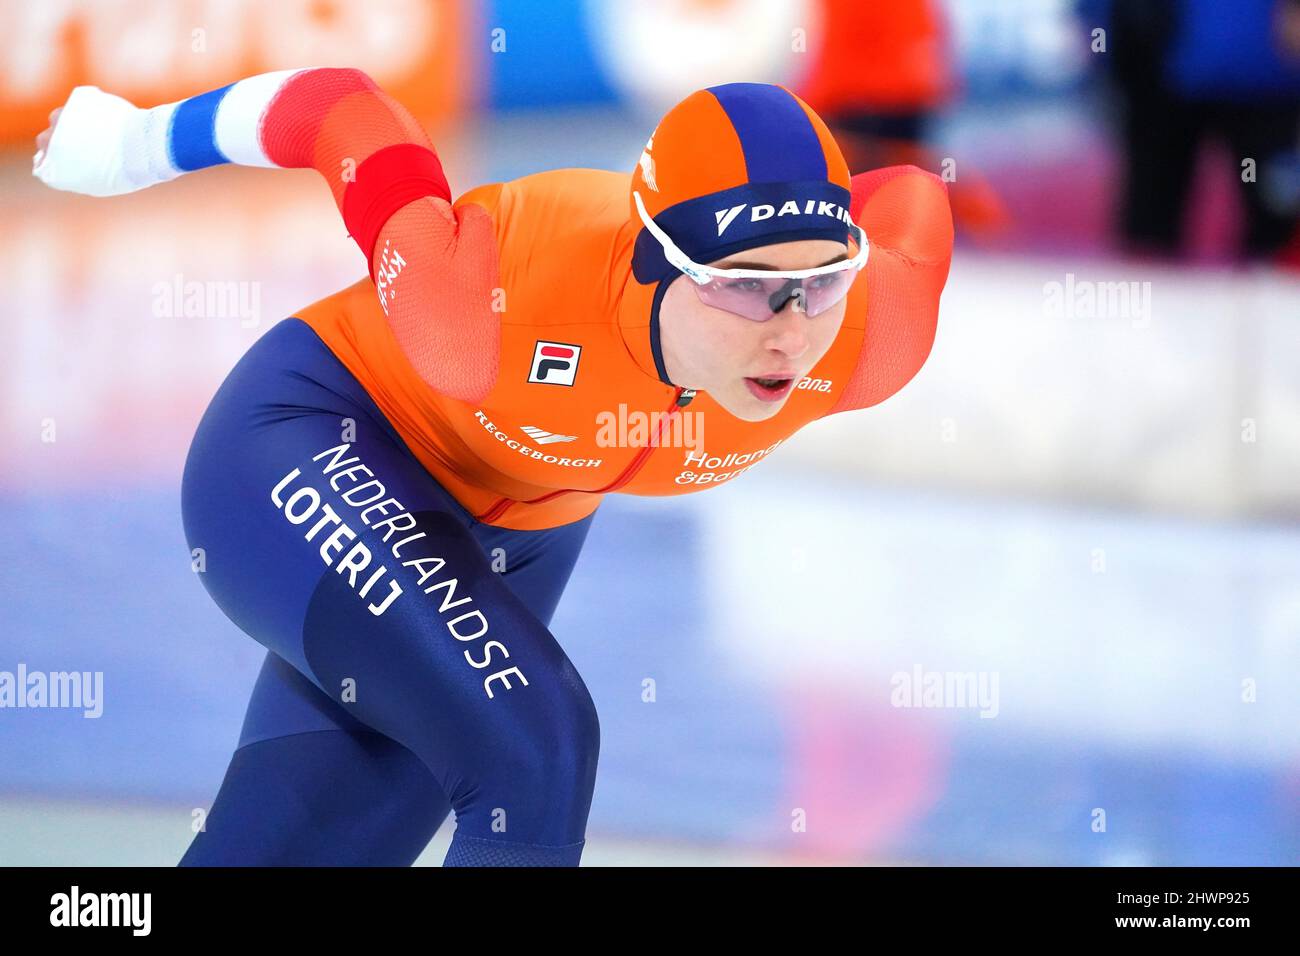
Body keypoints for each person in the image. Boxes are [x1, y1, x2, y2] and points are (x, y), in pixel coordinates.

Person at [33, 69, 953, 866]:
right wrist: (136, 143)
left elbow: (913, 193)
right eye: (747, 286)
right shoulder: (481, 307)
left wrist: (836, 243)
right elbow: (339, 112)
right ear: (654, 261)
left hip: (519, 528)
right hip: (316, 444)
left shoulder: (871, 333)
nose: (792, 330)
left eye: (823, 279)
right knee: (533, 750)